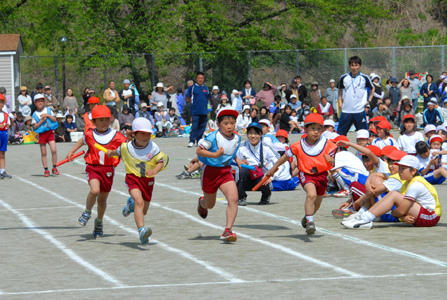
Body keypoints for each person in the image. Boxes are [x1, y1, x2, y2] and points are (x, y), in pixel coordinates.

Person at [268, 114, 338, 235]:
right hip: (306, 174)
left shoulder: (327, 144)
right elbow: (284, 157)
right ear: (305, 129)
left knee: (317, 204)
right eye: (312, 128)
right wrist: (273, 169)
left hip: (322, 175)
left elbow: (338, 158)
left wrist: (332, 160)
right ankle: (310, 223)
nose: (316, 132)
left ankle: (307, 217)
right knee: (311, 195)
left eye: (319, 129)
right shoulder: (298, 145)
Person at [67, 105, 127, 237]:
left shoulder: (116, 136)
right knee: (94, 190)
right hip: (93, 167)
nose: (105, 123)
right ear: (93, 122)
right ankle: (87, 212)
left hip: (108, 169)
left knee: (102, 200)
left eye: (107, 120)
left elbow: (127, 147)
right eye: (101, 120)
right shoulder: (89, 134)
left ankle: (99, 221)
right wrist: (72, 151)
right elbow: (81, 141)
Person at [108, 118, 168, 244]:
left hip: (148, 181)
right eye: (142, 133)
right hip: (133, 179)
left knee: (142, 210)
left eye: (148, 134)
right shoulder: (126, 147)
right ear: (134, 134)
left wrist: (154, 171)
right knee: (139, 201)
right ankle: (141, 230)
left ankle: (131, 206)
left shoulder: (153, 147)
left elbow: (160, 162)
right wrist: (110, 153)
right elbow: (116, 152)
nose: (146, 137)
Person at [342, 155, 441, 229]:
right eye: (400, 168)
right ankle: (364, 217)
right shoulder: (408, 182)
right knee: (393, 195)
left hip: (430, 217)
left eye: (403, 169)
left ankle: (365, 219)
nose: (400, 171)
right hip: (423, 214)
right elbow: (403, 208)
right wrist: (403, 216)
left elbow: (401, 210)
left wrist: (395, 213)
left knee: (393, 195)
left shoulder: (415, 184)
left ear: (413, 171)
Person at [196, 108, 243, 242]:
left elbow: (232, 151)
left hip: (225, 171)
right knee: (210, 204)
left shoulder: (237, 138)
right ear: (218, 124)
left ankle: (228, 230)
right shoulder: (213, 137)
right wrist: (215, 155)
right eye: (226, 123)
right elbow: (199, 151)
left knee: (233, 199)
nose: (229, 126)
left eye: (232, 123)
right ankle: (202, 203)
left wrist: (238, 160)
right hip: (210, 172)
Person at [237, 122, 281, 206]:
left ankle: (266, 196)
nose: (253, 136)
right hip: (245, 178)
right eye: (250, 133)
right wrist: (240, 163)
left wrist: (271, 176)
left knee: (266, 179)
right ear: (247, 134)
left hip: (260, 178)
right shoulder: (240, 147)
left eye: (256, 133)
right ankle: (241, 197)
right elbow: (231, 163)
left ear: (261, 134)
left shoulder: (266, 148)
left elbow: (280, 163)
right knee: (240, 171)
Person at [337, 56, 374, 136]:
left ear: (360, 66)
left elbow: (372, 88)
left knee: (363, 134)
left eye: (356, 65)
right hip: (346, 111)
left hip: (359, 111)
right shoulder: (344, 77)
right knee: (340, 134)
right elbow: (340, 89)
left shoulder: (365, 77)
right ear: (349, 66)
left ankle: (362, 149)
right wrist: (340, 101)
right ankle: (342, 148)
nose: (354, 68)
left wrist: (369, 100)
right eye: (352, 65)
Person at [32, 93, 59, 177]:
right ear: (35, 103)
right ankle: (46, 169)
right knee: (43, 152)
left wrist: (48, 115)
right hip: (42, 134)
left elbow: (54, 120)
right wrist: (41, 121)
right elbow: (35, 126)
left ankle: (54, 167)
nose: (40, 103)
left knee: (53, 150)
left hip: (50, 132)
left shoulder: (48, 110)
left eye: (41, 101)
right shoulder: (34, 114)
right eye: (37, 101)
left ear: (44, 102)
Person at [186, 72, 210, 147]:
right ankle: (192, 140)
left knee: (202, 126)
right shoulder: (192, 88)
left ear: (203, 79)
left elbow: (209, 98)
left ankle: (199, 140)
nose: (200, 79)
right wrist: (193, 104)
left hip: (204, 111)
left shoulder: (206, 88)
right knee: (195, 126)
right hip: (195, 111)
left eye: (202, 78)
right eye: (199, 78)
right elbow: (188, 97)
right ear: (196, 79)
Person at [0, 95, 11, 179]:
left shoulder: (6, 114)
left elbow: (8, 124)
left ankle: (2, 171)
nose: (1, 104)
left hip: (4, 133)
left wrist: (7, 125)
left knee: (2, 153)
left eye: (2, 102)